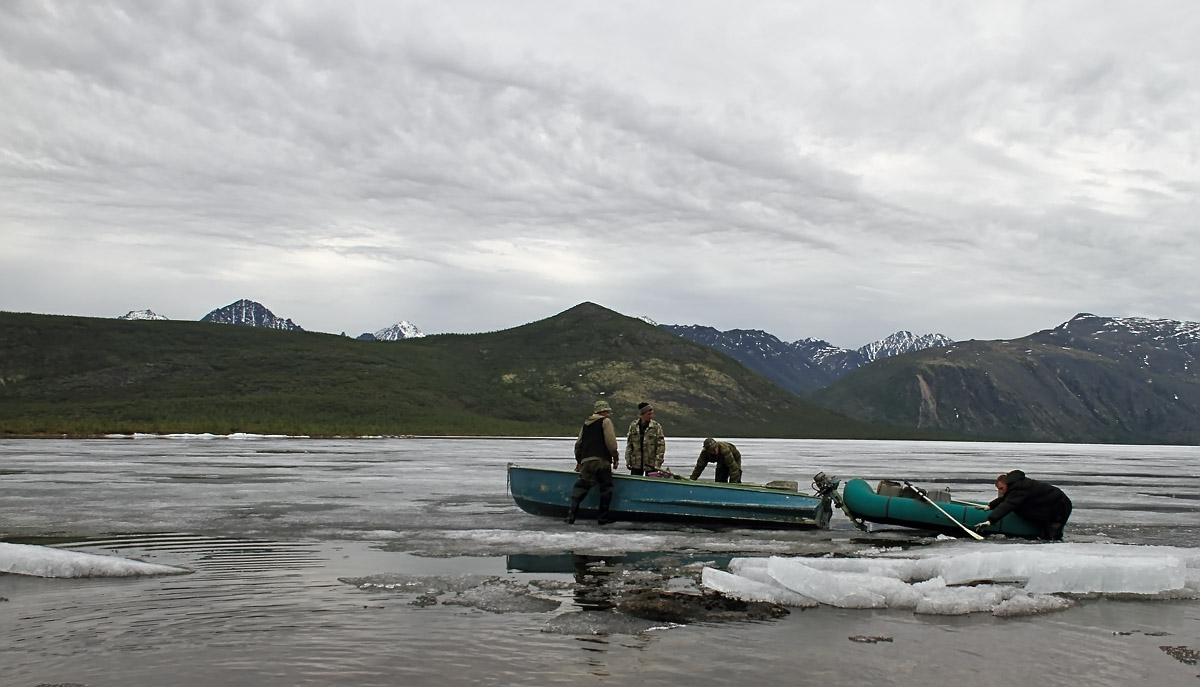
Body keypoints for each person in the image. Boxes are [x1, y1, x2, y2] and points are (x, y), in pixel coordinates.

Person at [565, 400, 621, 525]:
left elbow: (578, 445)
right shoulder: (605, 421)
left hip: (587, 461)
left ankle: (571, 516)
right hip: (602, 461)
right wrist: (615, 458)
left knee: (581, 487)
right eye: (607, 411)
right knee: (606, 488)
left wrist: (579, 461)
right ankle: (602, 518)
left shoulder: (586, 424)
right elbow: (611, 444)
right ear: (604, 411)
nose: (608, 414)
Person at [975, 469, 1072, 540]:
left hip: (1060, 507)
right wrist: (990, 506)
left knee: (1052, 536)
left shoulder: (1020, 488)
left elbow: (1009, 504)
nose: (1001, 492)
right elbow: (1006, 499)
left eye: (1001, 488)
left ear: (1007, 484)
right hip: (1050, 506)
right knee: (1043, 534)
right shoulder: (1017, 485)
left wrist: (990, 521)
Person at [625, 401, 666, 476]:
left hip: (651, 464)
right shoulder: (634, 426)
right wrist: (628, 459)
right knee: (635, 483)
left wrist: (658, 463)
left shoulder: (656, 427)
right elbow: (629, 444)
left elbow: (661, 447)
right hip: (636, 463)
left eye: (652, 414)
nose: (651, 416)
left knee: (651, 485)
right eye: (649, 414)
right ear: (642, 414)